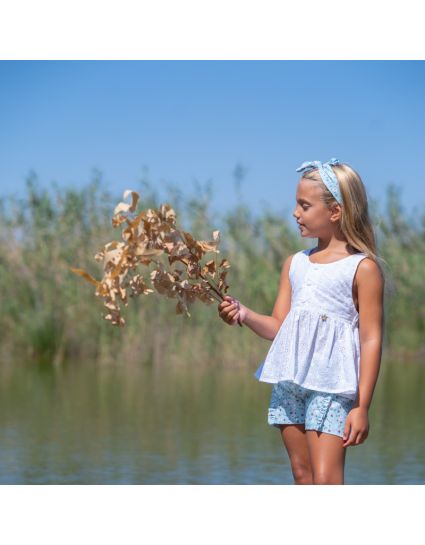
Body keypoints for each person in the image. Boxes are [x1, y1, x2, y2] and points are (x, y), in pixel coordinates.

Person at [218, 157, 385, 485]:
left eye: (304, 205)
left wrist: (362, 405)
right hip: (290, 383)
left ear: (334, 211)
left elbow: (371, 339)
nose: (296, 213)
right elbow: (280, 327)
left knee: (326, 480)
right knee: (302, 475)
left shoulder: (362, 268)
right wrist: (245, 314)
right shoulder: (295, 263)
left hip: (333, 387)